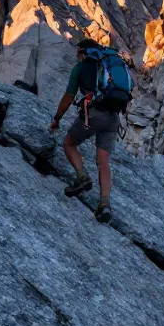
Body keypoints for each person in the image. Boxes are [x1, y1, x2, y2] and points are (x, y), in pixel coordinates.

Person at [48, 39, 119, 223]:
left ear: (83, 52)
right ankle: (104, 204)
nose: (77, 56)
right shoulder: (110, 64)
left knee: (69, 143)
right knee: (103, 160)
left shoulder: (82, 67)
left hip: (94, 113)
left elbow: (69, 96)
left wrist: (57, 119)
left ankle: (82, 177)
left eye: (78, 53)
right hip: (113, 117)